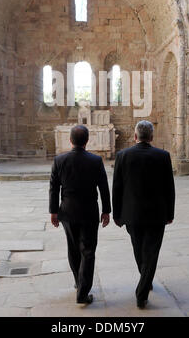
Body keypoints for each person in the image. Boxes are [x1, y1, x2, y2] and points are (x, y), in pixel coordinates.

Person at [112, 120, 175, 309]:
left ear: (135, 136)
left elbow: (117, 187)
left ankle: (142, 290)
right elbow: (169, 188)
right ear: (152, 137)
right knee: (151, 252)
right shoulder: (163, 156)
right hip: (157, 214)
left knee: (139, 249)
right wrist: (170, 212)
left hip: (132, 214)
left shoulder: (122, 155)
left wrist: (117, 214)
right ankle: (145, 281)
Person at [49, 124, 111, 305]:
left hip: (67, 211)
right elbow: (103, 187)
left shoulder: (59, 160)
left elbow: (54, 188)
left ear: (70, 141)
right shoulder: (95, 160)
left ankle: (79, 282)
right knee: (88, 251)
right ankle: (83, 292)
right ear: (87, 141)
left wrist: (53, 211)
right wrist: (106, 210)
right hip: (89, 211)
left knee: (73, 248)